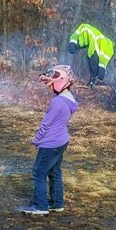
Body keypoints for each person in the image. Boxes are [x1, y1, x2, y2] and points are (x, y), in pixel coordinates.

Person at [22, 65, 78, 216]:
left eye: (51, 84)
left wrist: (37, 140)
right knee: (54, 172)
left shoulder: (58, 102)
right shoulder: (70, 100)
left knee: (39, 172)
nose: (50, 87)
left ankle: (40, 207)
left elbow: (46, 124)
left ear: (60, 82)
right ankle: (57, 204)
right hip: (62, 141)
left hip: (50, 143)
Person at [68, 23, 115, 87]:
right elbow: (103, 60)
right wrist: (102, 69)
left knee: (93, 61)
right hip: (88, 38)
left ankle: (92, 82)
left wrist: (101, 69)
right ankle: (93, 81)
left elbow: (100, 59)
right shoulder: (106, 45)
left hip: (92, 43)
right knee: (93, 62)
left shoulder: (102, 44)